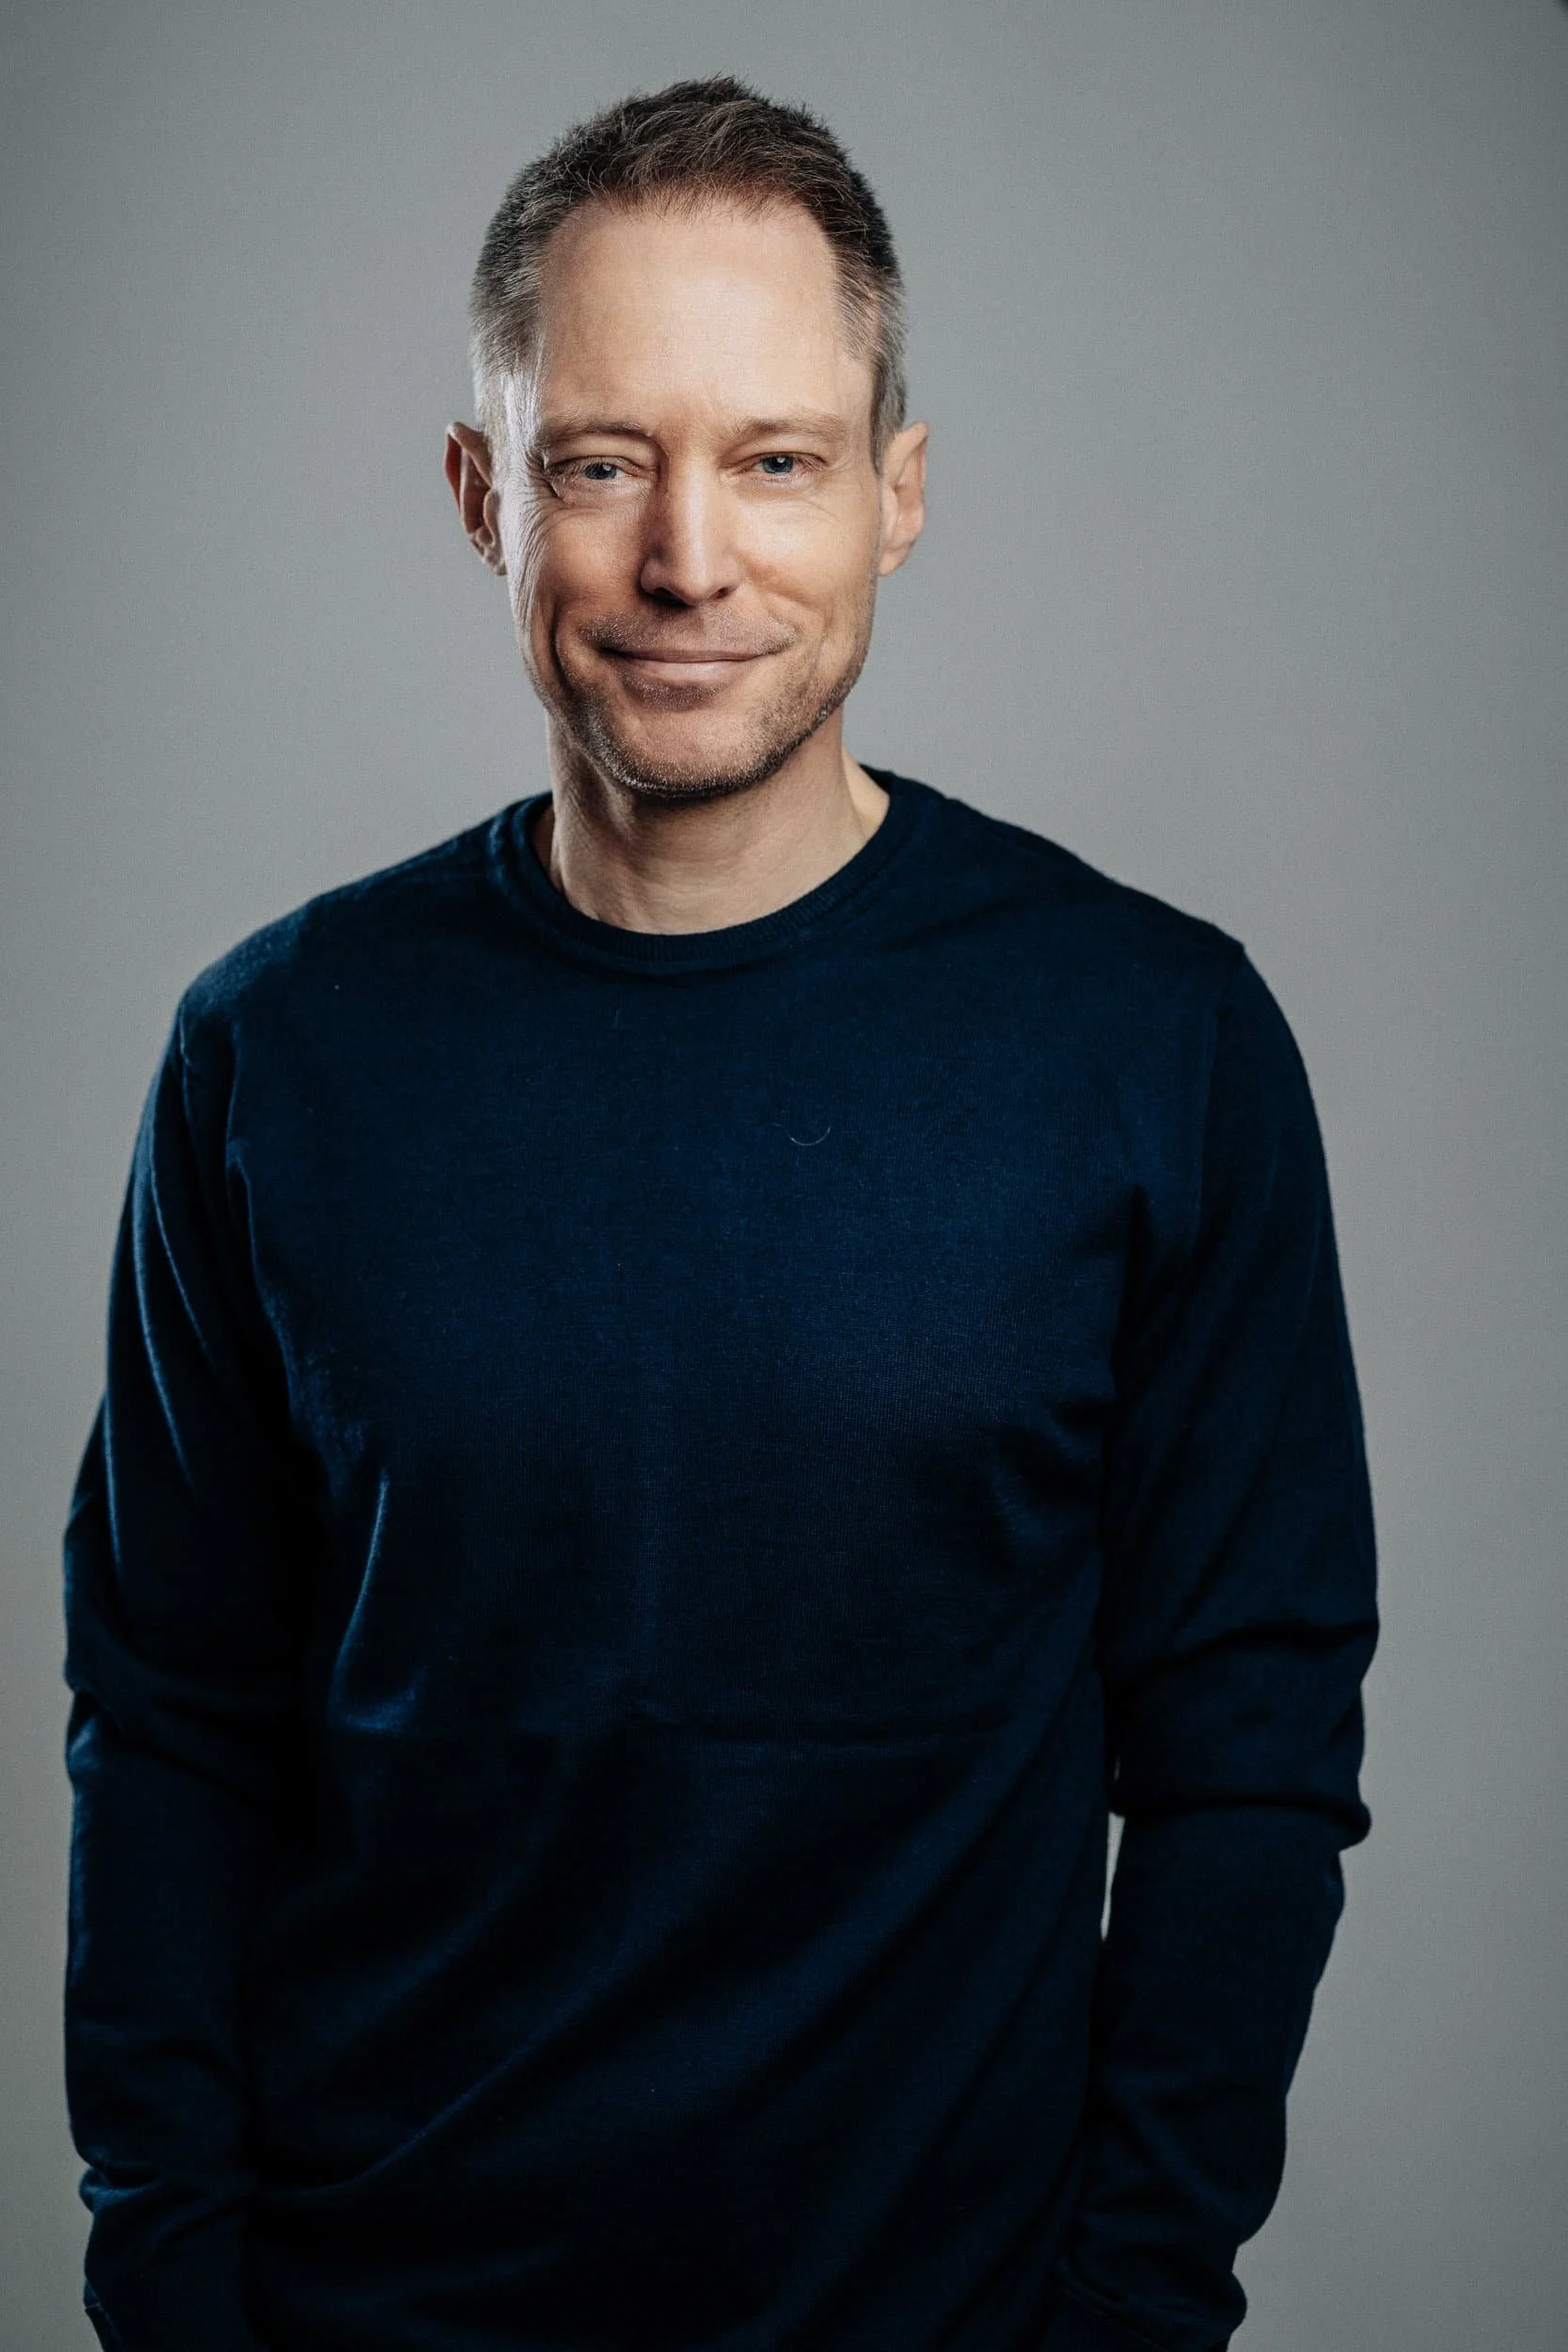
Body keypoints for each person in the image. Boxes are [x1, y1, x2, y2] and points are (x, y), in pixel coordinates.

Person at [62, 73, 1378, 2352]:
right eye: (600, 462)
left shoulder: (1153, 1045)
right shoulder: (272, 1053)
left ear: (896, 492)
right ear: (485, 498)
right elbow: (168, 1714)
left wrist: (1123, 2310)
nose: (690, 557)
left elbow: (1244, 1754)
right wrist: (175, 2279)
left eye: (775, 459)